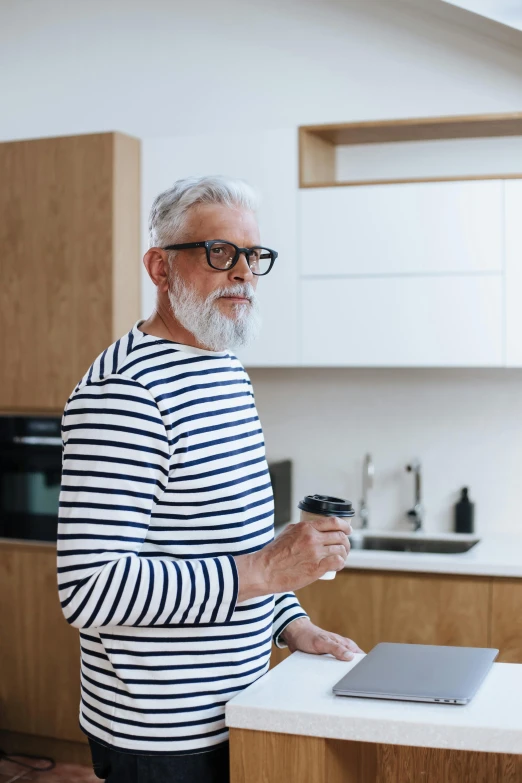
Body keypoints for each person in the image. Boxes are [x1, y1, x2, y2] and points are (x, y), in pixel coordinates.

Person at [57, 175, 361, 783]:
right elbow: (88, 590)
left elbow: (232, 541)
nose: (243, 273)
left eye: (252, 256)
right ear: (160, 267)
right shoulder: (128, 392)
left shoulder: (225, 368)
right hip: (161, 734)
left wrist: (289, 621)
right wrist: (268, 570)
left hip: (239, 706)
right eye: (219, 253)